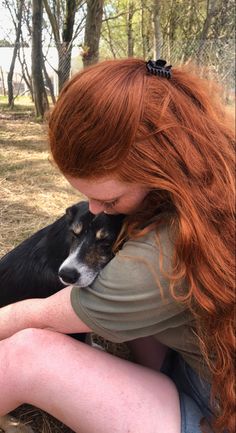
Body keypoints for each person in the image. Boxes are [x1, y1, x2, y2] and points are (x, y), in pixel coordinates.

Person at [0, 58, 235, 433]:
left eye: (109, 202)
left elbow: (32, 316)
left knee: (23, 354)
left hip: (218, 409)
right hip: (203, 368)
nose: (95, 210)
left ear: (155, 167)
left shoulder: (159, 258)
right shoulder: (214, 179)